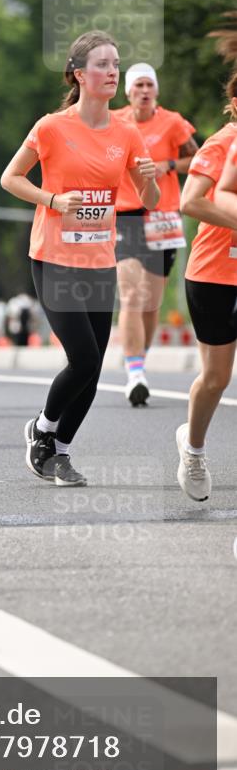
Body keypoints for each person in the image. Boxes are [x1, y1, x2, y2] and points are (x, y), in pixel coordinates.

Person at [0, 31, 158, 486]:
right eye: (103, 65)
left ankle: (60, 451)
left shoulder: (126, 132)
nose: (112, 72)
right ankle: (43, 429)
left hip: (99, 258)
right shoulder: (52, 127)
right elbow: (11, 178)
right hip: (54, 256)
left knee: (94, 364)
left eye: (116, 64)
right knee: (84, 359)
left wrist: (147, 179)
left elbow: (145, 199)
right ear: (78, 73)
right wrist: (52, 199)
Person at [113, 63, 198, 405]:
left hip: (163, 216)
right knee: (131, 295)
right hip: (125, 215)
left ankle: (139, 360)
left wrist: (170, 166)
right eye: (138, 86)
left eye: (149, 85)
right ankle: (135, 373)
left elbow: (198, 157)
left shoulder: (173, 122)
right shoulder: (114, 121)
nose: (144, 91)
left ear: (156, 91)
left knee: (152, 302)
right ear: (128, 92)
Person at [177, 39, 237, 501]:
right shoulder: (221, 145)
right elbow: (191, 201)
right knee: (217, 378)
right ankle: (193, 448)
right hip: (214, 274)